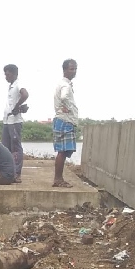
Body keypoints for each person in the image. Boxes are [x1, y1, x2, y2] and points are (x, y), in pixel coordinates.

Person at [53, 59, 79, 187]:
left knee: (62, 151)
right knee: (62, 152)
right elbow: (64, 97)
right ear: (64, 70)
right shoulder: (65, 85)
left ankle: (58, 179)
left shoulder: (65, 84)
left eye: (75, 69)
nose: (73, 71)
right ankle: (58, 179)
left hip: (62, 120)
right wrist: (67, 106)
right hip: (65, 120)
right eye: (71, 69)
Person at [2, 64, 29, 182]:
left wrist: (17, 107)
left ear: (14, 74)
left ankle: (17, 174)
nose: (5, 77)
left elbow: (25, 95)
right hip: (7, 121)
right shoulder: (11, 86)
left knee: (16, 148)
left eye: (7, 74)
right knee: (6, 147)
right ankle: (8, 172)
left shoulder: (18, 84)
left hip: (14, 121)